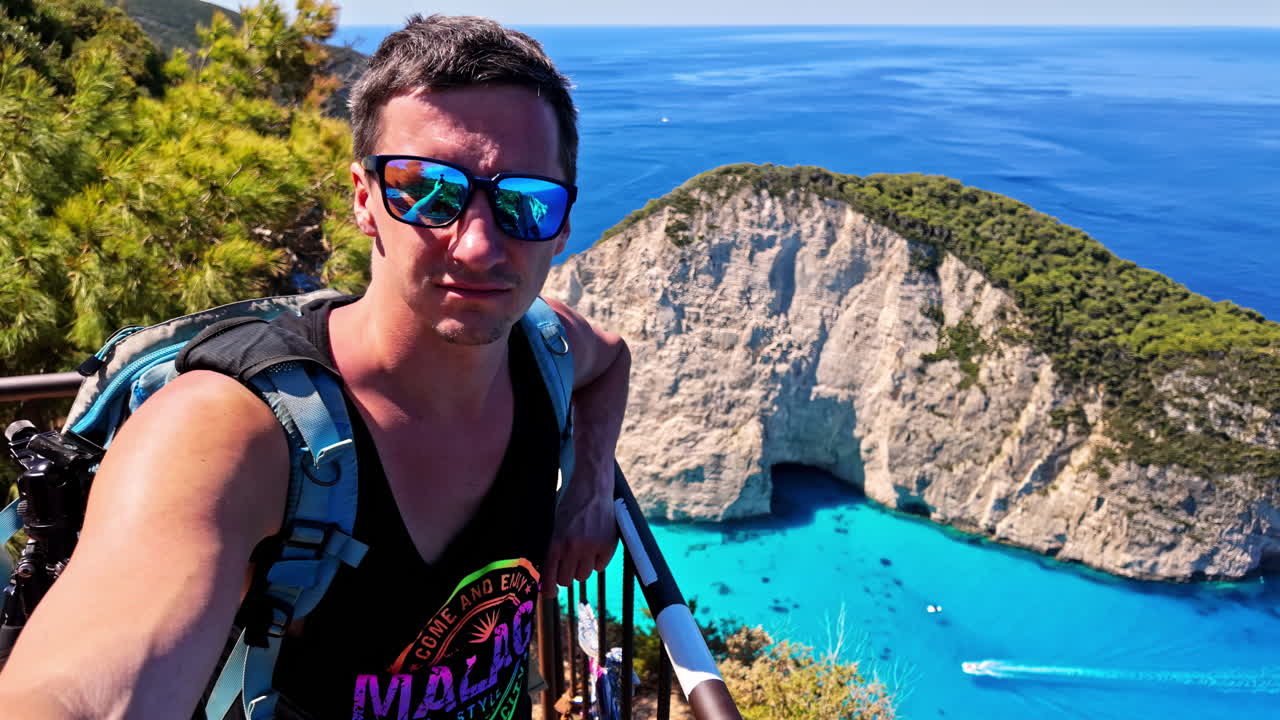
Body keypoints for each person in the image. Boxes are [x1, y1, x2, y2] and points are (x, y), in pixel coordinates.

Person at [0, 14, 628, 720]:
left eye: (526, 202)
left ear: (563, 224)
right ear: (365, 199)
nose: (479, 245)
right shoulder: (232, 431)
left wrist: (592, 486)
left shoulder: (545, 348)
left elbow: (612, 360)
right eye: (429, 192)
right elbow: (85, 689)